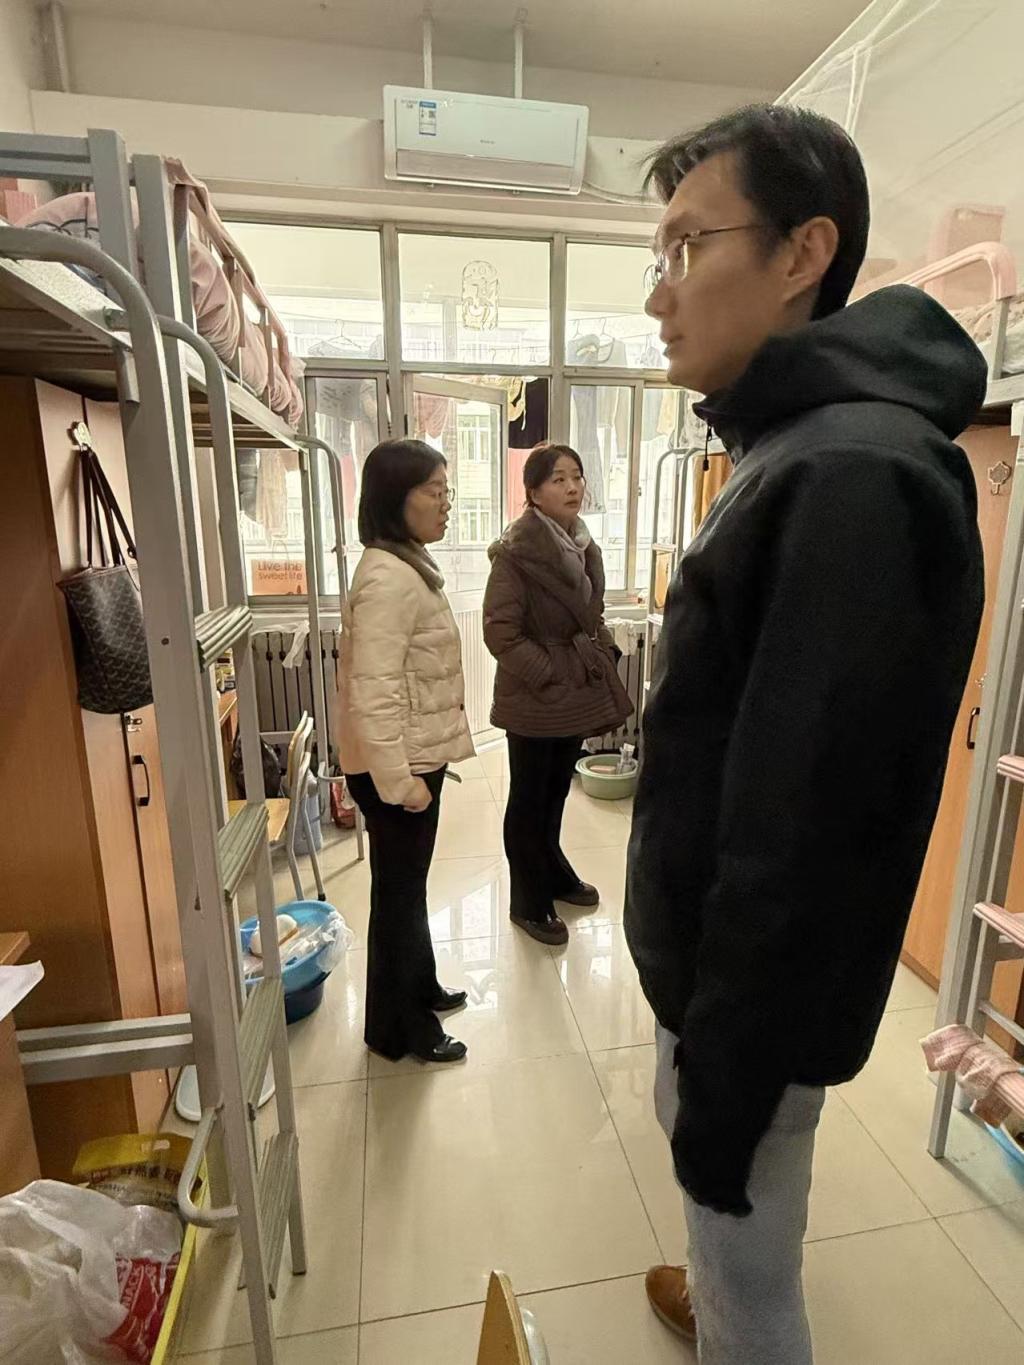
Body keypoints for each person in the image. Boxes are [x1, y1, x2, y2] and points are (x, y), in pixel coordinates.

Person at [624, 104, 986, 1363]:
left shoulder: (851, 474)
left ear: (801, 253)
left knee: (753, 1282)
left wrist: (727, 1066)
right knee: (728, 1236)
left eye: (687, 246)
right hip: (718, 974)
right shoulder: (795, 445)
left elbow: (806, 819)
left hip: (753, 998)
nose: (659, 293)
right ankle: (717, 1285)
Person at [337, 439, 475, 1064]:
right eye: (435, 491)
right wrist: (398, 782)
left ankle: (420, 988)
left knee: (407, 890)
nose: (446, 504)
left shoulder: (403, 561)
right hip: (397, 768)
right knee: (397, 898)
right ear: (398, 499)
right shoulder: (388, 577)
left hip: (412, 758)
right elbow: (375, 692)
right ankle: (400, 1032)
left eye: (447, 491)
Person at [483, 443, 633, 946]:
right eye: (558, 479)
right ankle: (526, 901)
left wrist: (604, 652)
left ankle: (551, 870)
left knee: (555, 792)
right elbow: (500, 633)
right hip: (535, 696)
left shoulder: (582, 543)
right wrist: (549, 672)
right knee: (529, 798)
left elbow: (592, 615)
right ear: (533, 492)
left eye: (577, 476)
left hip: (573, 691)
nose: (573, 487)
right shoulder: (516, 552)